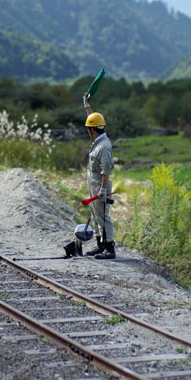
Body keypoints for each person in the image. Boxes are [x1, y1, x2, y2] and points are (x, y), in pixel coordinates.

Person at [83, 93, 115, 259]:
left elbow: (106, 170)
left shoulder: (104, 146)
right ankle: (100, 245)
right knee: (95, 215)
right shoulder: (98, 137)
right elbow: (93, 119)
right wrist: (87, 105)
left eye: (89, 128)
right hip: (93, 183)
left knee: (103, 216)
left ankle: (109, 248)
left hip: (100, 185)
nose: (88, 130)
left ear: (93, 130)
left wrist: (103, 189)